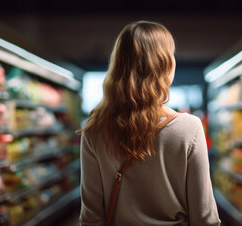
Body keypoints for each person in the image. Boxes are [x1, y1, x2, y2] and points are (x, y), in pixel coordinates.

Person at [79, 20, 220, 225]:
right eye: (172, 54)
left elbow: (91, 217)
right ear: (165, 65)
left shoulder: (95, 129)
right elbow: (205, 217)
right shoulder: (188, 128)